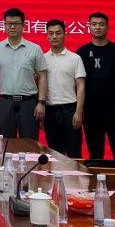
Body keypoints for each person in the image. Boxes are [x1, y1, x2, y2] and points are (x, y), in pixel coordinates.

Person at [77, 12, 115, 159]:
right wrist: (79, 109)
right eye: (94, 24)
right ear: (89, 27)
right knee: (95, 153)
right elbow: (78, 83)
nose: (97, 27)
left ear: (107, 27)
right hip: (90, 109)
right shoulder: (82, 52)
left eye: (101, 24)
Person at [0, 8, 48, 140]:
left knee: (30, 143)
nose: (12, 27)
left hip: (29, 103)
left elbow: (42, 76)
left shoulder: (35, 49)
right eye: (9, 23)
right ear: (4, 25)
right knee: (6, 143)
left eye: (16, 23)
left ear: (23, 25)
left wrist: (41, 102)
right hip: (5, 102)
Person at [42, 19, 86, 157]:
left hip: (70, 111)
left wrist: (79, 111)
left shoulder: (75, 58)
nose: (54, 36)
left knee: (74, 154)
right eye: (51, 33)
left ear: (65, 34)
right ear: (47, 36)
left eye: (58, 33)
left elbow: (81, 86)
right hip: (50, 111)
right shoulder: (42, 59)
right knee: (55, 155)